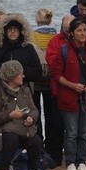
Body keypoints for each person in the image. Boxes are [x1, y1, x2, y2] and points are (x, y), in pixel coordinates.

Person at [49, 17, 86, 170]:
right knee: (71, 132)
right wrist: (73, 86)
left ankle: (82, 161)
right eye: (79, 30)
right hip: (69, 97)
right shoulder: (64, 50)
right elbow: (56, 75)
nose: (83, 33)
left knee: (85, 132)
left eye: (85, 30)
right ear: (71, 33)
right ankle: (70, 162)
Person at [0, 60, 42, 170]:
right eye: (20, 74)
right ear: (11, 77)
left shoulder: (25, 89)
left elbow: (34, 109)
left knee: (36, 141)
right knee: (11, 139)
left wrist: (31, 117)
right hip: (0, 131)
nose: (23, 76)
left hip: (23, 129)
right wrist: (10, 115)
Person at [0, 13, 42, 99]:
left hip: (22, 93)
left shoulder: (28, 48)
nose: (12, 32)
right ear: (4, 31)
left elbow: (38, 72)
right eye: (10, 29)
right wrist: (2, 67)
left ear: (21, 31)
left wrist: (20, 69)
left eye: (15, 29)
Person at [43, 14, 74, 166]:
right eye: (66, 29)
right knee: (56, 126)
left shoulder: (83, 41)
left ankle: (75, 157)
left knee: (76, 128)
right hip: (58, 89)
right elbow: (53, 62)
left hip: (77, 91)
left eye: (70, 29)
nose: (68, 32)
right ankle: (55, 157)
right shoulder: (55, 41)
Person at [29, 8, 58, 153]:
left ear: (36, 19)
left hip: (35, 79)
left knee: (35, 113)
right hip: (52, 78)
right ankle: (51, 145)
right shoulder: (56, 35)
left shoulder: (31, 35)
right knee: (51, 114)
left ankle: (38, 142)